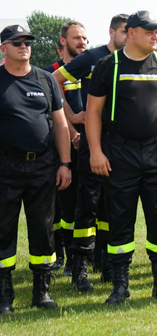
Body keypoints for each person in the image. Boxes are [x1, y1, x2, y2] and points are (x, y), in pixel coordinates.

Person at [87, 11, 157, 304]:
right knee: (120, 220)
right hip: (119, 153)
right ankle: (120, 286)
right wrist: (96, 151)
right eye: (149, 31)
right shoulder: (109, 65)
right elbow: (93, 112)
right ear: (131, 33)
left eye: (156, 31)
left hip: (156, 152)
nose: (155, 36)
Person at [53, 13, 128, 292]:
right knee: (87, 204)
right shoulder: (92, 57)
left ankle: (108, 264)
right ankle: (79, 269)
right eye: (123, 31)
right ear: (112, 33)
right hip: (92, 141)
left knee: (113, 206)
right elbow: (52, 80)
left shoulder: (134, 61)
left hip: (122, 145)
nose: (127, 36)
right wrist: (72, 116)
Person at [0, 24, 72, 313]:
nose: (24, 46)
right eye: (16, 42)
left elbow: (61, 124)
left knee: (43, 229)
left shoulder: (45, 79)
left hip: (43, 165)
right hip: (5, 166)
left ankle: (41, 290)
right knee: (3, 230)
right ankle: (4, 293)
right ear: (3, 48)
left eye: (27, 41)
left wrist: (65, 163)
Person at [47, 22, 88, 273]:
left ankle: (90, 255)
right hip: (64, 147)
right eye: (76, 38)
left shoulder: (92, 69)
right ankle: (63, 254)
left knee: (92, 203)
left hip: (92, 144)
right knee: (64, 205)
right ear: (63, 42)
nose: (82, 42)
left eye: (85, 37)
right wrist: (72, 126)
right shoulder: (49, 72)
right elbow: (53, 109)